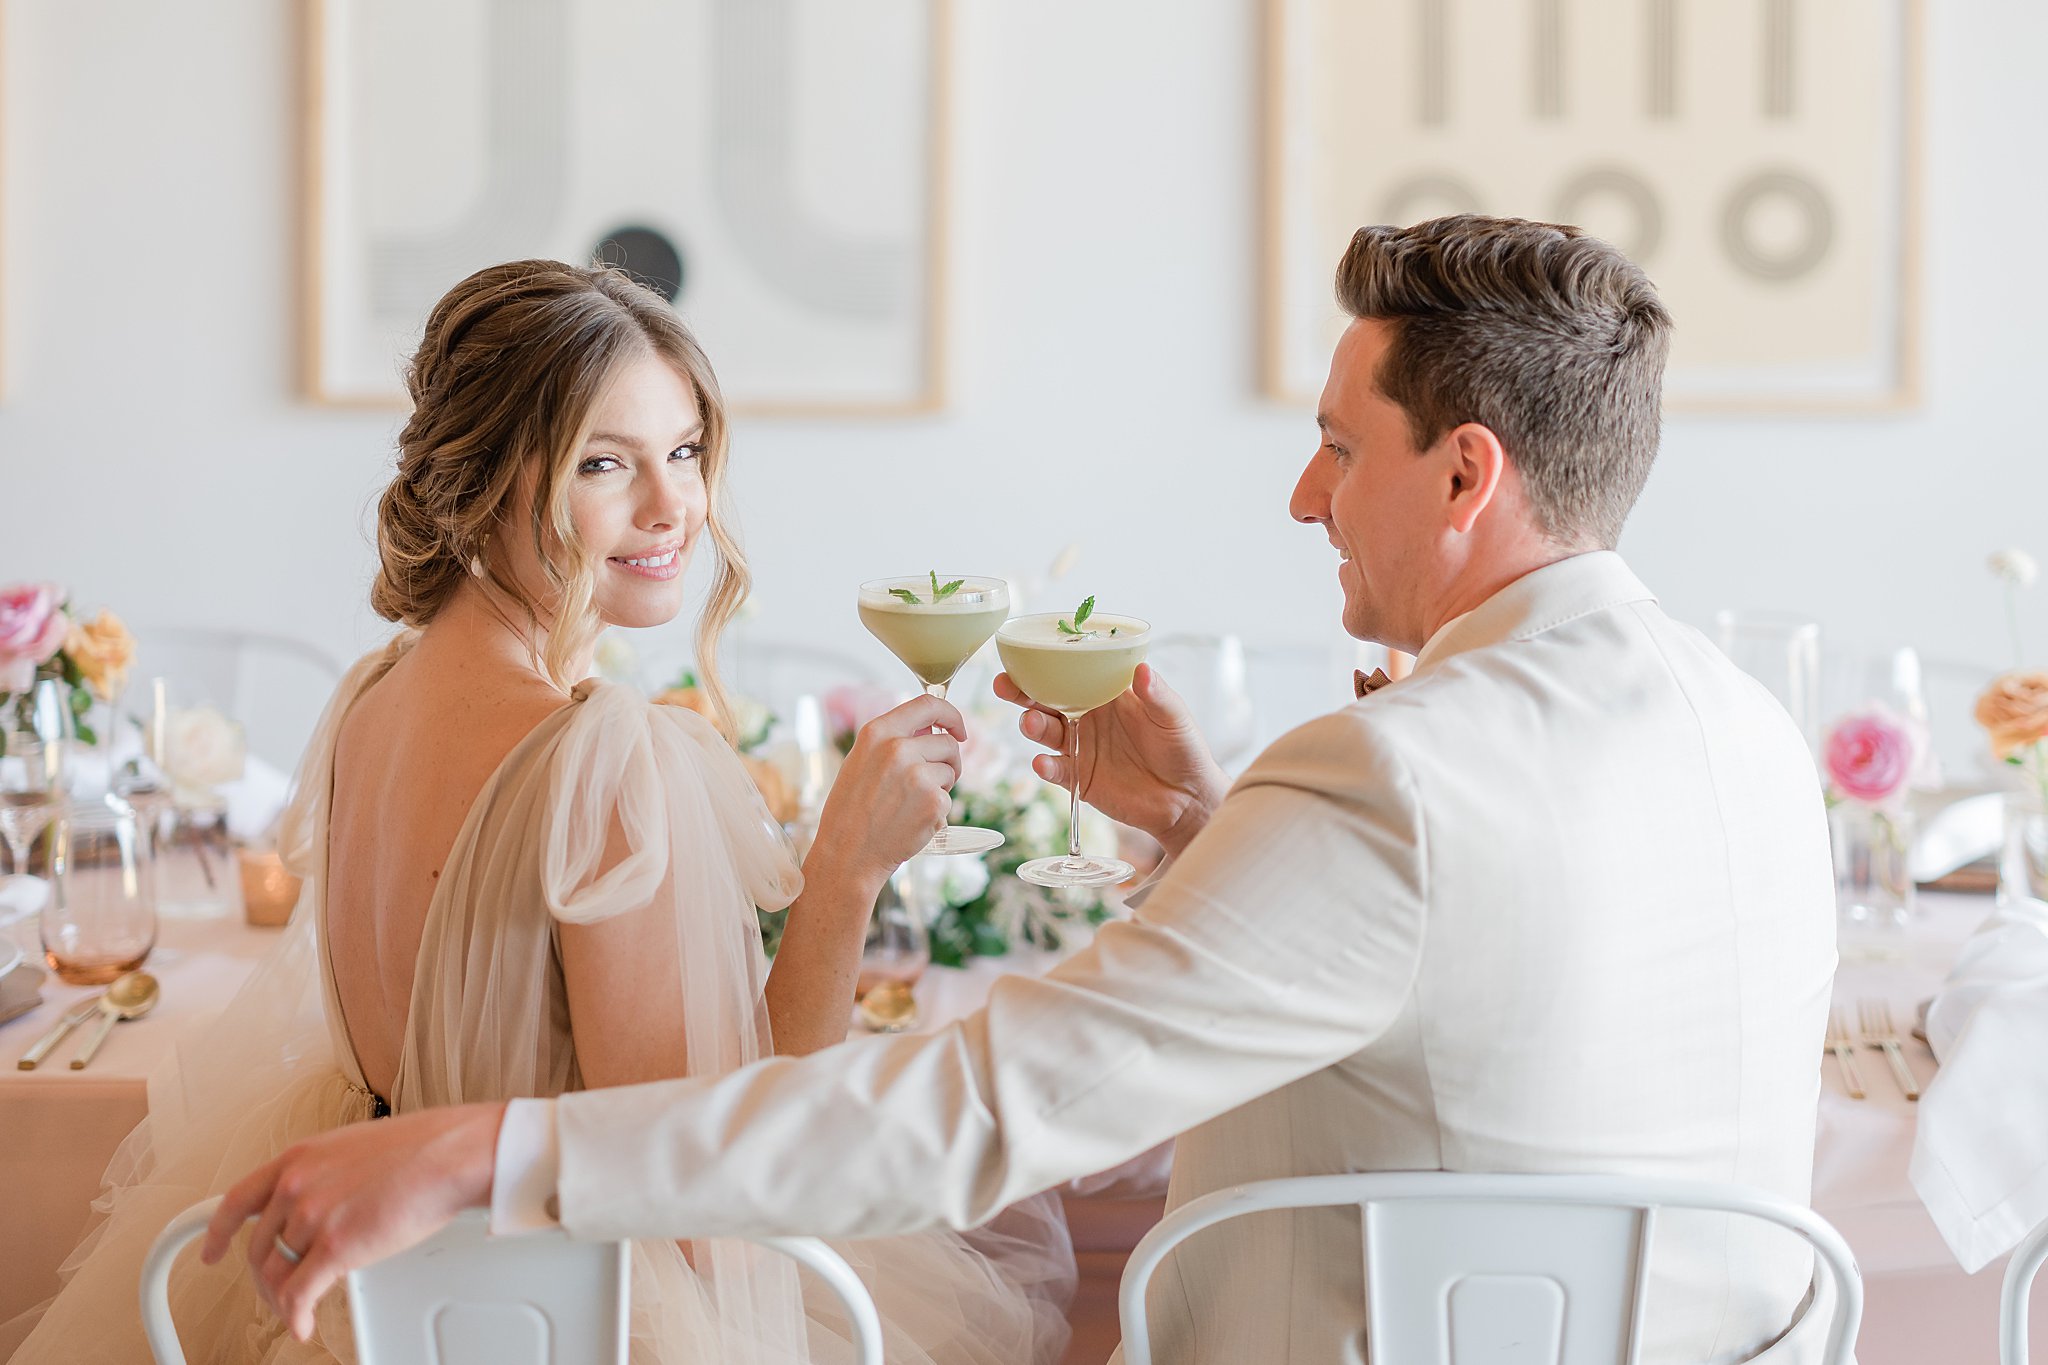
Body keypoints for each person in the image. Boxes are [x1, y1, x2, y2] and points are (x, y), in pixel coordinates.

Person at [205, 217, 1838, 1364]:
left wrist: (472, 1155)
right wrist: (1210, 838)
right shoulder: (1745, 725)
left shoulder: (1390, 772)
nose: (1299, 495)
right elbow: (1475, 963)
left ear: (1465, 472)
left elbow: (978, 1110)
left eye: (1338, 446)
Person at [6, 261, 1074, 1364]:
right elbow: (715, 1205)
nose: (672, 506)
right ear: (486, 482)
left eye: (685, 451)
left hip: (376, 1306)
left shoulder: (372, 695)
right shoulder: (600, 759)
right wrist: (847, 866)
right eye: (603, 464)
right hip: (553, 1317)